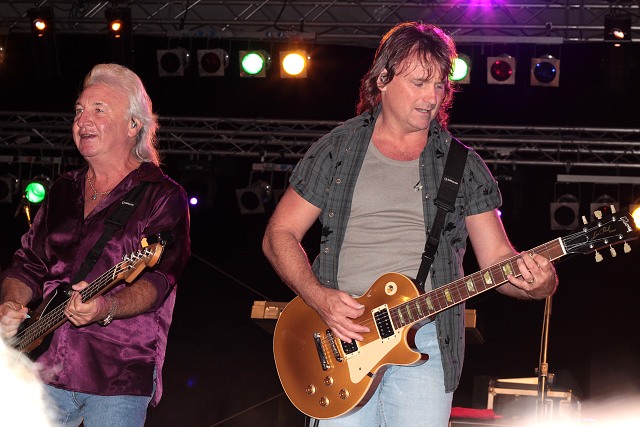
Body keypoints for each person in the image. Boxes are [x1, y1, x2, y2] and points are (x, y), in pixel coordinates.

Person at [262, 22, 557, 426]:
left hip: (427, 339)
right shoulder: (338, 149)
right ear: (382, 79)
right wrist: (318, 297)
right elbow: (279, 234)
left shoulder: (462, 165)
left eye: (439, 85)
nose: (432, 97)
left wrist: (536, 283)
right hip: (341, 334)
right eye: (419, 83)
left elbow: (496, 260)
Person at [0, 63, 191, 427]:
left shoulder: (163, 195)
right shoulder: (62, 190)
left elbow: (160, 280)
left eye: (99, 110)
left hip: (117, 374)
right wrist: (11, 303)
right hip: (42, 368)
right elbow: (27, 264)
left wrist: (107, 306)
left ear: (133, 125)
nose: (82, 120)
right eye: (79, 111)